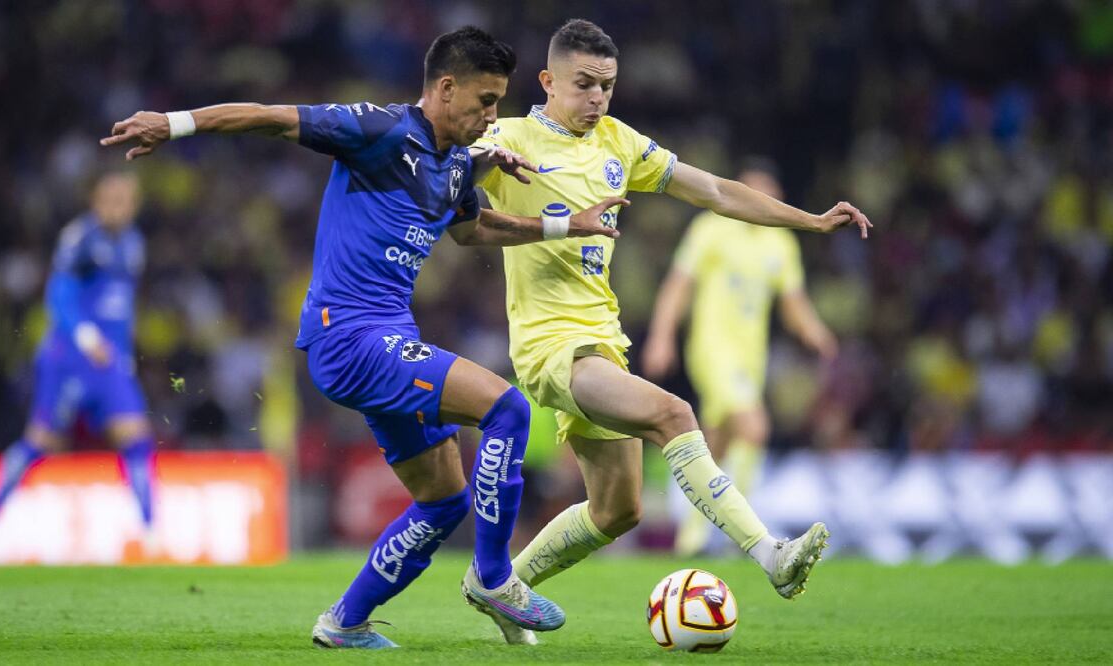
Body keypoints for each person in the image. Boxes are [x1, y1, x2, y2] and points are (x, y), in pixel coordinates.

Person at [100, 26, 625, 650]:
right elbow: (271, 118)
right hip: (347, 337)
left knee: (444, 501)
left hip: (386, 339)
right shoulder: (378, 130)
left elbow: (476, 230)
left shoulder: (456, 165)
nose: (492, 115)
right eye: (485, 101)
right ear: (445, 87)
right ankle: (493, 578)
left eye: (497, 103)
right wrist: (176, 122)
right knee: (506, 408)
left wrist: (566, 224)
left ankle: (343, 623)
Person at [471, 19, 870, 644]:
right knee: (675, 414)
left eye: (607, 85)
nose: (598, 97)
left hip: (604, 340)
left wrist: (811, 222)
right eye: (583, 85)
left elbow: (712, 189)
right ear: (548, 81)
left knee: (617, 510)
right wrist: (477, 166)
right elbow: (458, 207)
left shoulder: (617, 142)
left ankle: (497, 586)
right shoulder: (508, 138)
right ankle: (772, 556)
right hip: (551, 344)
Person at [642, 158, 839, 557]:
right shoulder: (712, 228)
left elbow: (793, 300)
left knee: (718, 443)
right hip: (712, 348)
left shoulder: (780, 242)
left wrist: (814, 329)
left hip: (751, 357)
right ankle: (744, 535)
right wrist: (661, 337)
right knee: (754, 428)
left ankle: (692, 536)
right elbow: (679, 285)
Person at [0, 171, 157, 540]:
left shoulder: (134, 243)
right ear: (95, 200)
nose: (117, 206)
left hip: (109, 361)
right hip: (70, 356)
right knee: (43, 441)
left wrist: (123, 353)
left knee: (136, 435)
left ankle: (149, 529)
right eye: (110, 198)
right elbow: (58, 294)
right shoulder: (81, 239)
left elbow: (122, 308)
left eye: (124, 200)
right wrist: (84, 334)